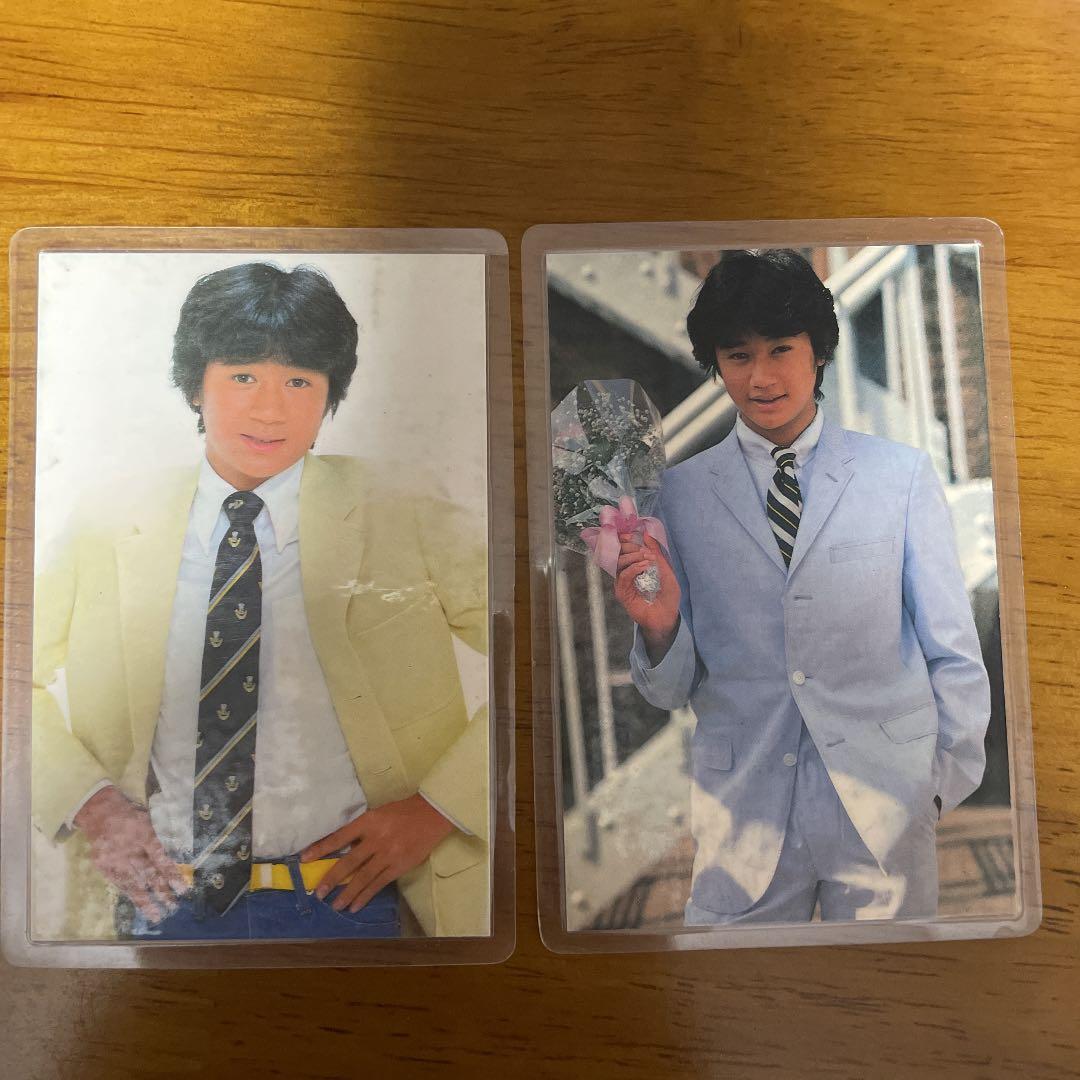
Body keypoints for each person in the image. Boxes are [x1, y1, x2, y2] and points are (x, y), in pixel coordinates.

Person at [31, 262, 489, 941]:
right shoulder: (110, 520)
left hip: (357, 899)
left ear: (331, 394)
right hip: (155, 900)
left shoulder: (402, 508)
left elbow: (536, 656)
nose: (271, 410)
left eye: (299, 381)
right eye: (243, 376)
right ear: (195, 385)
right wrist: (94, 807)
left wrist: (438, 808)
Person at [616, 249, 990, 924]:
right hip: (744, 812)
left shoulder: (899, 476)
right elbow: (670, 691)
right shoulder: (677, 497)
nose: (760, 377)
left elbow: (952, 648)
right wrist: (660, 626)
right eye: (738, 356)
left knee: (890, 988)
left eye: (781, 350)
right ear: (717, 364)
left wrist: (938, 784)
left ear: (818, 351)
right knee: (731, 988)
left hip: (887, 801)